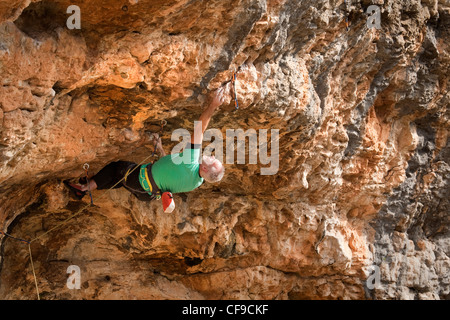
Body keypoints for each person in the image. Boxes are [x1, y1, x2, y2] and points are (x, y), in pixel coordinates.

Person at [64, 88, 226, 212]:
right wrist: (161, 150)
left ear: (204, 168)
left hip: (140, 180)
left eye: (212, 160)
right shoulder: (197, 182)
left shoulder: (191, 161)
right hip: (147, 194)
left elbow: (200, 130)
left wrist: (213, 105)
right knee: (120, 180)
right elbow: (170, 173)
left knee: (118, 168)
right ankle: (88, 188)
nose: (211, 156)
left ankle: (85, 188)